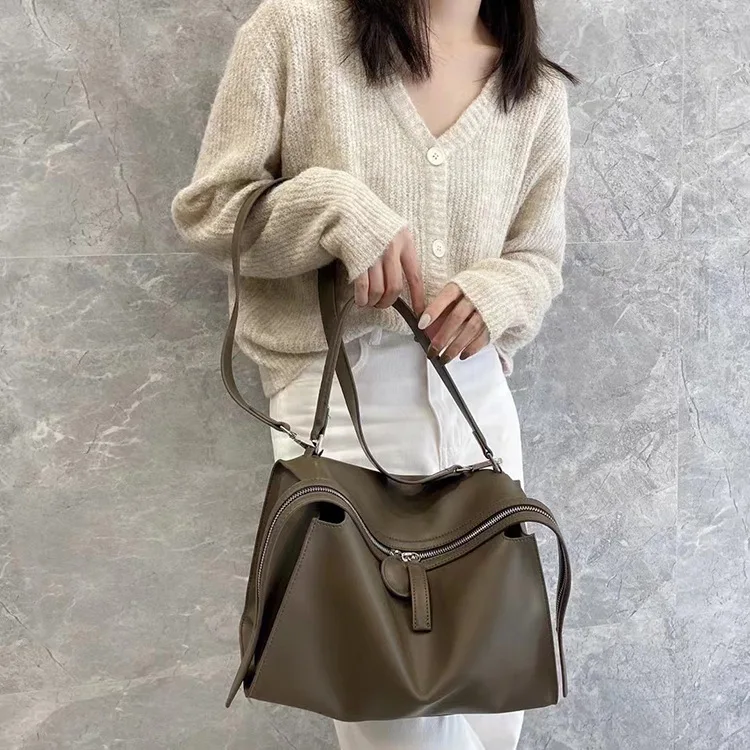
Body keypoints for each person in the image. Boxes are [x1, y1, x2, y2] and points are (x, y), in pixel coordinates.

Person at [171, 0, 574, 747]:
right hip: (341, 409)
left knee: (496, 717)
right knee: (394, 723)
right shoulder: (296, 31)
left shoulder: (535, 89)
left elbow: (539, 257)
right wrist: (335, 208)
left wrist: (498, 293)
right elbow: (212, 212)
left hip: (478, 404)